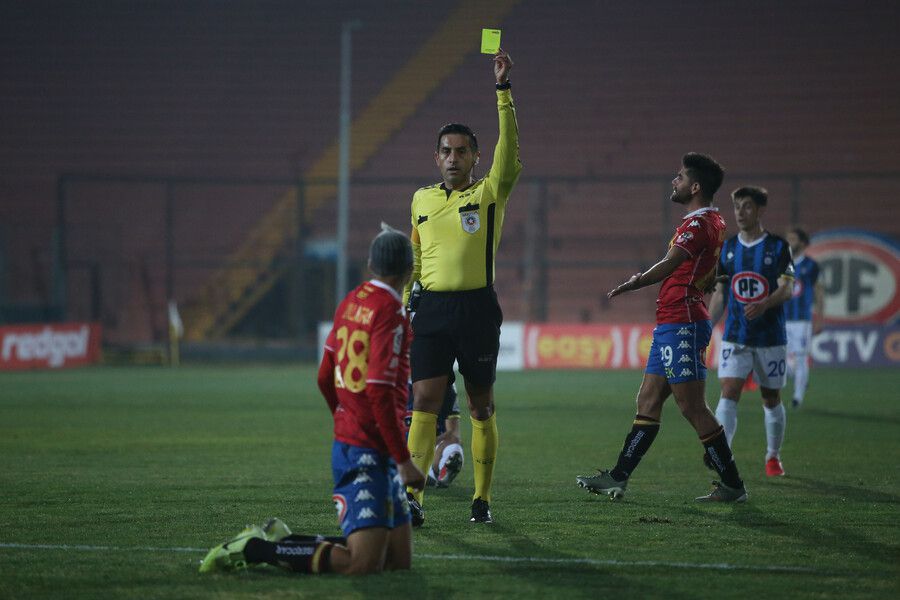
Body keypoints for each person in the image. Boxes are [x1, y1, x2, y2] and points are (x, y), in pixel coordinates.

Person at [199, 224, 426, 575]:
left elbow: (324, 374)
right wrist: (403, 460)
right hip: (366, 448)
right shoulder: (391, 313)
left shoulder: (351, 302)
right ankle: (256, 548)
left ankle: (283, 539)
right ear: (410, 270)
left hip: (362, 439)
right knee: (363, 564)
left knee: (397, 562)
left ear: (370, 264)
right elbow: (380, 390)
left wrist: (343, 414)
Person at [576, 153, 748, 503]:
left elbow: (672, 263)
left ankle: (733, 484)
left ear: (695, 186)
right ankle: (618, 477)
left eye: (680, 177)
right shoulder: (712, 222)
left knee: (692, 408)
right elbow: (706, 267)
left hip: (683, 321)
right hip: (673, 320)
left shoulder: (699, 224)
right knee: (648, 399)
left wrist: (634, 282)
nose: (675, 181)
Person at [404, 48, 521, 525]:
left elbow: (509, 152)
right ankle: (414, 500)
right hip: (431, 309)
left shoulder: (489, 192)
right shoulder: (421, 199)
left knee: (480, 404)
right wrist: (411, 291)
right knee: (424, 404)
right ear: (436, 158)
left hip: (476, 309)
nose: (454, 158)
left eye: (462, 151)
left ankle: (482, 499)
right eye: (446, 152)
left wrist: (502, 91)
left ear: (476, 157)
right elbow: (416, 249)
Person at [709, 187, 795, 478]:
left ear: (760, 211)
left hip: (770, 338)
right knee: (729, 391)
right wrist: (706, 327)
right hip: (735, 336)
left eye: (747, 207)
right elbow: (720, 292)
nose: (740, 213)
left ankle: (773, 456)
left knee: (770, 397)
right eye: (736, 207)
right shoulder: (729, 249)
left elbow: (787, 288)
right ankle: (723, 457)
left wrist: (765, 303)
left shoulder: (778, 248)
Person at [783, 227, 824, 409]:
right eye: (788, 238)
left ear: (802, 243)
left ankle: (797, 397)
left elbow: (819, 292)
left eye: (793, 238)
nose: (789, 241)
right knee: (780, 359)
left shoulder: (811, 265)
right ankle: (801, 379)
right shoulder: (783, 264)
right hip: (782, 319)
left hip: (802, 320)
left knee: (800, 358)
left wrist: (820, 318)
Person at [405, 379, 465, 488]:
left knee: (454, 445)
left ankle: (443, 469)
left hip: (433, 447)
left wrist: (428, 448)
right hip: (399, 450)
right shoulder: (390, 383)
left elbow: (452, 431)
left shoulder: (445, 385)